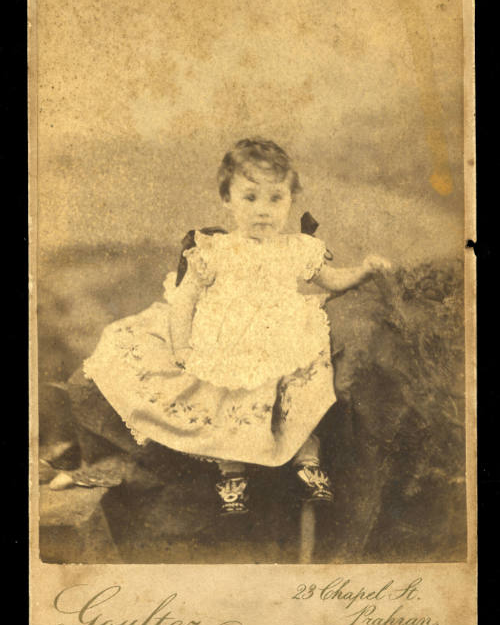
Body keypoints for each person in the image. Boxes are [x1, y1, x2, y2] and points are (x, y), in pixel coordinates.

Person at [51, 138, 391, 515]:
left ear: (290, 201)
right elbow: (184, 301)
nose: (263, 211)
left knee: (293, 391)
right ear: (227, 200)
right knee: (224, 396)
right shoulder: (213, 249)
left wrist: (363, 272)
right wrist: (181, 348)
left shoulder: (298, 248)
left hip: (279, 334)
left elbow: (330, 279)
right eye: (250, 199)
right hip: (224, 338)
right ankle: (231, 470)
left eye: (275, 199)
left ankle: (307, 462)